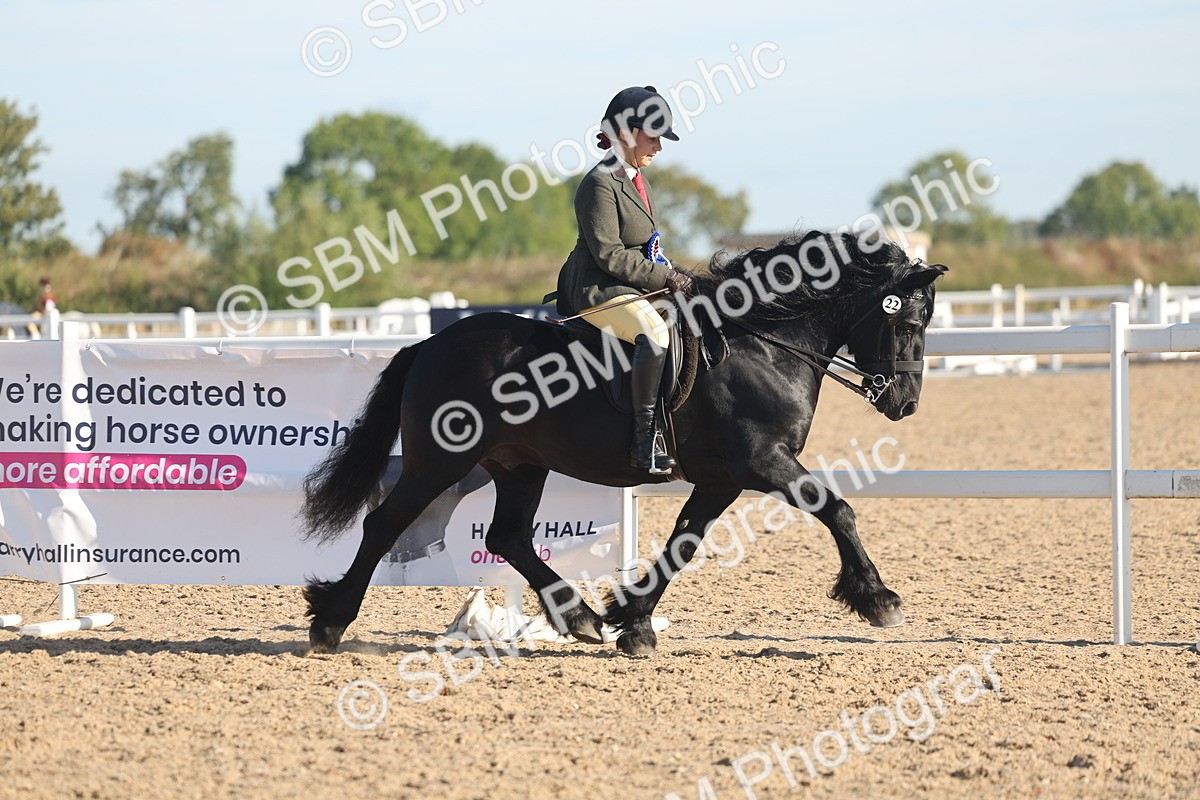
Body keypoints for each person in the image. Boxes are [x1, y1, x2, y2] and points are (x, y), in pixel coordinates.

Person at [554, 86, 694, 474]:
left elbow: (646, 246)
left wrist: (678, 274)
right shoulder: (599, 184)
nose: (659, 148)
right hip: (597, 287)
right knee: (654, 333)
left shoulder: (636, 179)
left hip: (628, 282)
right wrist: (666, 276)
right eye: (653, 138)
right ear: (628, 135)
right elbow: (610, 254)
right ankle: (643, 442)